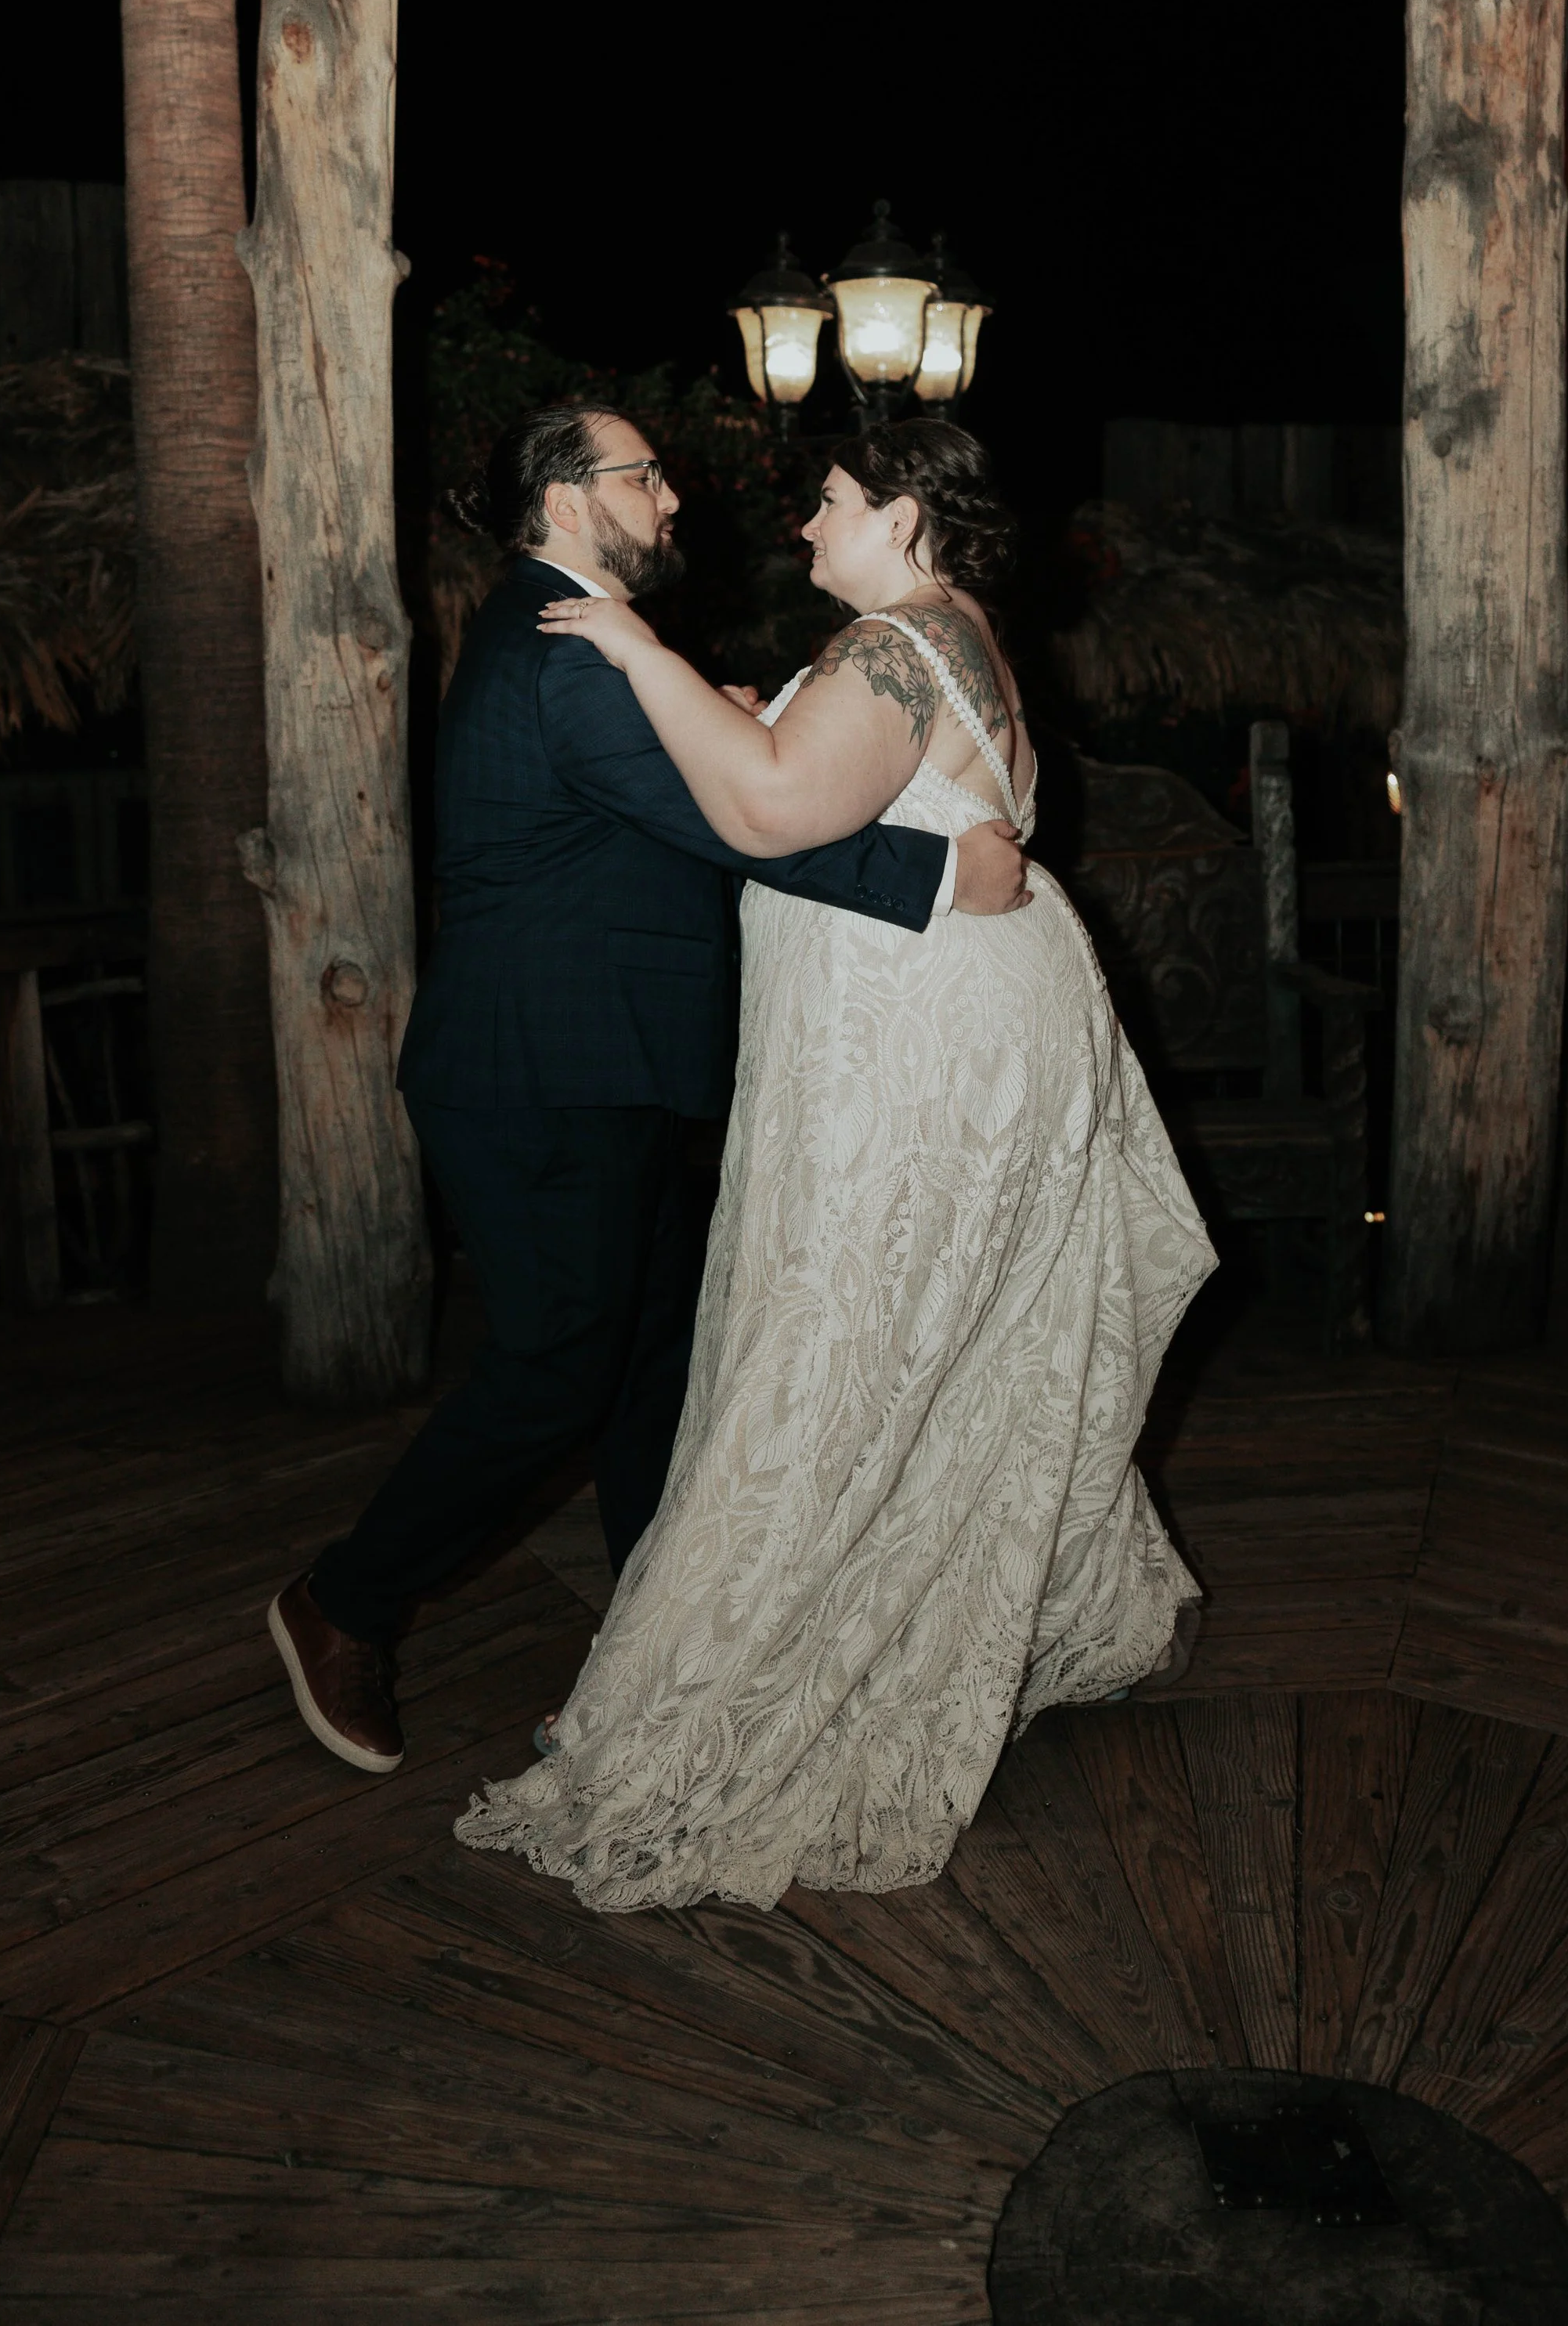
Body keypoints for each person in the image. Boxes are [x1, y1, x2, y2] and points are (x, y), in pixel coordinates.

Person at [453, 420, 1215, 1912]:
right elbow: (821, 778)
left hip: (911, 1062)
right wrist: (739, 701)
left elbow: (772, 810)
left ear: (908, 515)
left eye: (831, 502)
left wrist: (632, 649)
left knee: (829, 1363)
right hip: (954, 1033)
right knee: (910, 1356)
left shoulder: (893, 640)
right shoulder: (952, 636)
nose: (802, 526)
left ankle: (700, 1701)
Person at [268, 403, 1031, 1775]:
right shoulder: (569, 650)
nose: (676, 499)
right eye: (645, 477)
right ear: (566, 501)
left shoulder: (572, 634)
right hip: (542, 1071)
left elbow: (677, 792)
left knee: (650, 1371)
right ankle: (343, 1601)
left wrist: (738, 714)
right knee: (564, 1367)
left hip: (606, 1066)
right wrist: (936, 876)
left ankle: (660, 1652)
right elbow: (744, 822)